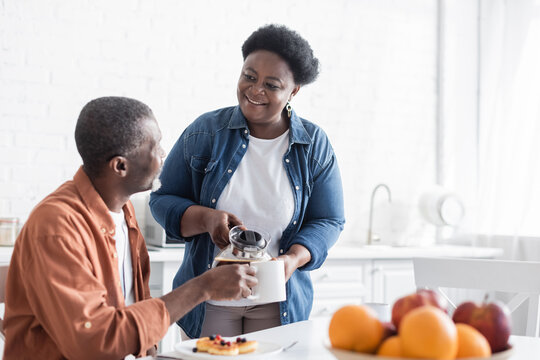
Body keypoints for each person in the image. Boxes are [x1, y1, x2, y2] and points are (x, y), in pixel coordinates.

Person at [3, 97, 257, 360]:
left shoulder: (124, 213)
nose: (163, 154)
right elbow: (95, 343)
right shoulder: (56, 227)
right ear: (120, 166)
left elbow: (135, 303)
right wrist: (203, 287)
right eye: (154, 147)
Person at [150, 24, 345, 339]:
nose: (255, 91)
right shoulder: (205, 133)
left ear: (293, 91)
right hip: (210, 297)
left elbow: (329, 219)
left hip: (277, 298)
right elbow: (162, 199)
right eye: (249, 77)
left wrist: (291, 260)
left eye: (272, 84)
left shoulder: (313, 145)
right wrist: (206, 218)